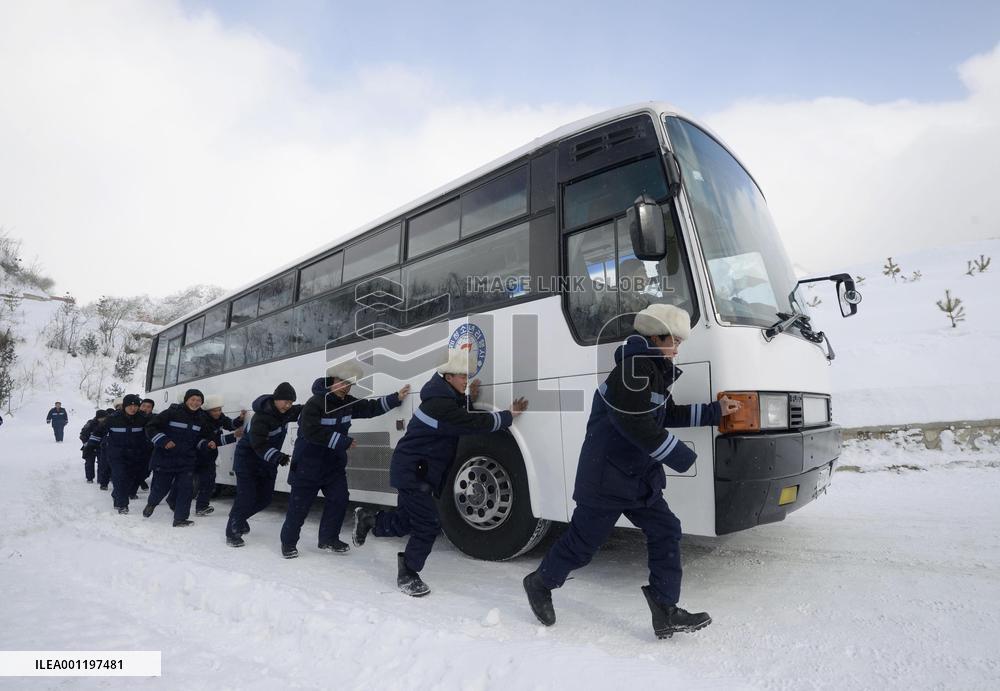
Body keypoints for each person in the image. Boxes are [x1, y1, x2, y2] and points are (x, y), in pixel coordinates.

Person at [522, 303, 741, 639]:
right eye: (675, 341)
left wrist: (715, 411)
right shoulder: (633, 371)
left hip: (637, 478)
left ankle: (665, 609)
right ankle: (540, 583)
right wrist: (681, 457)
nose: (677, 349)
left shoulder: (648, 369)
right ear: (656, 337)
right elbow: (635, 424)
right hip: (606, 478)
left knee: (666, 529)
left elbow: (663, 416)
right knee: (582, 546)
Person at [352, 351, 528, 596]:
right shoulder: (439, 404)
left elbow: (453, 418)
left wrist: (467, 399)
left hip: (413, 470)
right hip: (413, 472)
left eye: (466, 376)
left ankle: (369, 519)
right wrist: (507, 416)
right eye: (461, 376)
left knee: (406, 520)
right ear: (447, 377)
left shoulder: (441, 398)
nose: (466, 380)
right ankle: (408, 573)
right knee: (428, 524)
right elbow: (470, 423)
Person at [279, 363, 410, 559]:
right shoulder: (315, 403)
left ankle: (328, 539)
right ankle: (288, 543)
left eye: (349, 383)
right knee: (299, 508)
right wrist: (342, 441)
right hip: (308, 465)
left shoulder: (347, 402)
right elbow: (310, 431)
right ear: (333, 381)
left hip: (332, 466)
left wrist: (395, 399)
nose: (345, 387)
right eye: (342, 382)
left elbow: (369, 408)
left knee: (339, 500)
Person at [225, 382, 302, 548]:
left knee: (265, 498)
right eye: (285, 401)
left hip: (267, 463)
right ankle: (232, 532)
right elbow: (258, 444)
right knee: (246, 497)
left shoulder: (287, 412)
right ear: (276, 399)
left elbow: (306, 408)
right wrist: (277, 456)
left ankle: (238, 517)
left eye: (291, 403)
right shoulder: (261, 417)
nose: (288, 406)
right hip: (248, 461)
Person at [143, 389, 217, 526]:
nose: (195, 403)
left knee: (186, 490)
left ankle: (180, 519)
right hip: (166, 458)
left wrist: (208, 444)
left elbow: (202, 438)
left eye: (199, 400)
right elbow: (151, 427)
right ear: (186, 400)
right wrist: (164, 441)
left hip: (187, 460)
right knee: (161, 488)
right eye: (193, 399)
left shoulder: (201, 418)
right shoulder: (172, 412)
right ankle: (152, 503)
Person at [168, 395, 244, 517]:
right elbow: (212, 441)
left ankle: (202, 507)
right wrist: (233, 436)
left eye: (219, 409)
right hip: (194, 456)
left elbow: (229, 424)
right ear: (207, 410)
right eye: (215, 410)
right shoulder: (201, 420)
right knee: (184, 481)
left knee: (209, 482)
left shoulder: (220, 417)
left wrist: (240, 419)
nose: (218, 412)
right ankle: (172, 499)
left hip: (208, 457)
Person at [89, 394, 151, 514]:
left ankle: (116, 494)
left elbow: (155, 427)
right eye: (130, 406)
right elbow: (98, 432)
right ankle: (122, 505)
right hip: (116, 454)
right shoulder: (113, 418)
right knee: (119, 477)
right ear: (124, 406)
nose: (133, 408)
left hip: (135, 454)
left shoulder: (143, 419)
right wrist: (90, 446)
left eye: (135, 406)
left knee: (129, 479)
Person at [80, 409, 109, 483]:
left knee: (102, 463)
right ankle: (89, 478)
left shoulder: (107, 424)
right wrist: (86, 443)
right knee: (89, 463)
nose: (102, 419)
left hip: (101, 447)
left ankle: (101, 479)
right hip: (90, 447)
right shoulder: (90, 423)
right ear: (97, 417)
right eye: (101, 418)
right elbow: (83, 434)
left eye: (104, 418)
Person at [138, 399, 156, 491]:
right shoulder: (134, 417)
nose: (145, 408)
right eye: (144, 406)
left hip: (149, 448)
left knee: (147, 470)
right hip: (135, 448)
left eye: (149, 407)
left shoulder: (154, 418)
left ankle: (141, 479)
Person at [96, 407, 116, 490]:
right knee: (104, 465)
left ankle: (113, 482)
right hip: (104, 447)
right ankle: (103, 483)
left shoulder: (116, 422)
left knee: (114, 467)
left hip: (115, 448)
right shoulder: (101, 425)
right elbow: (96, 435)